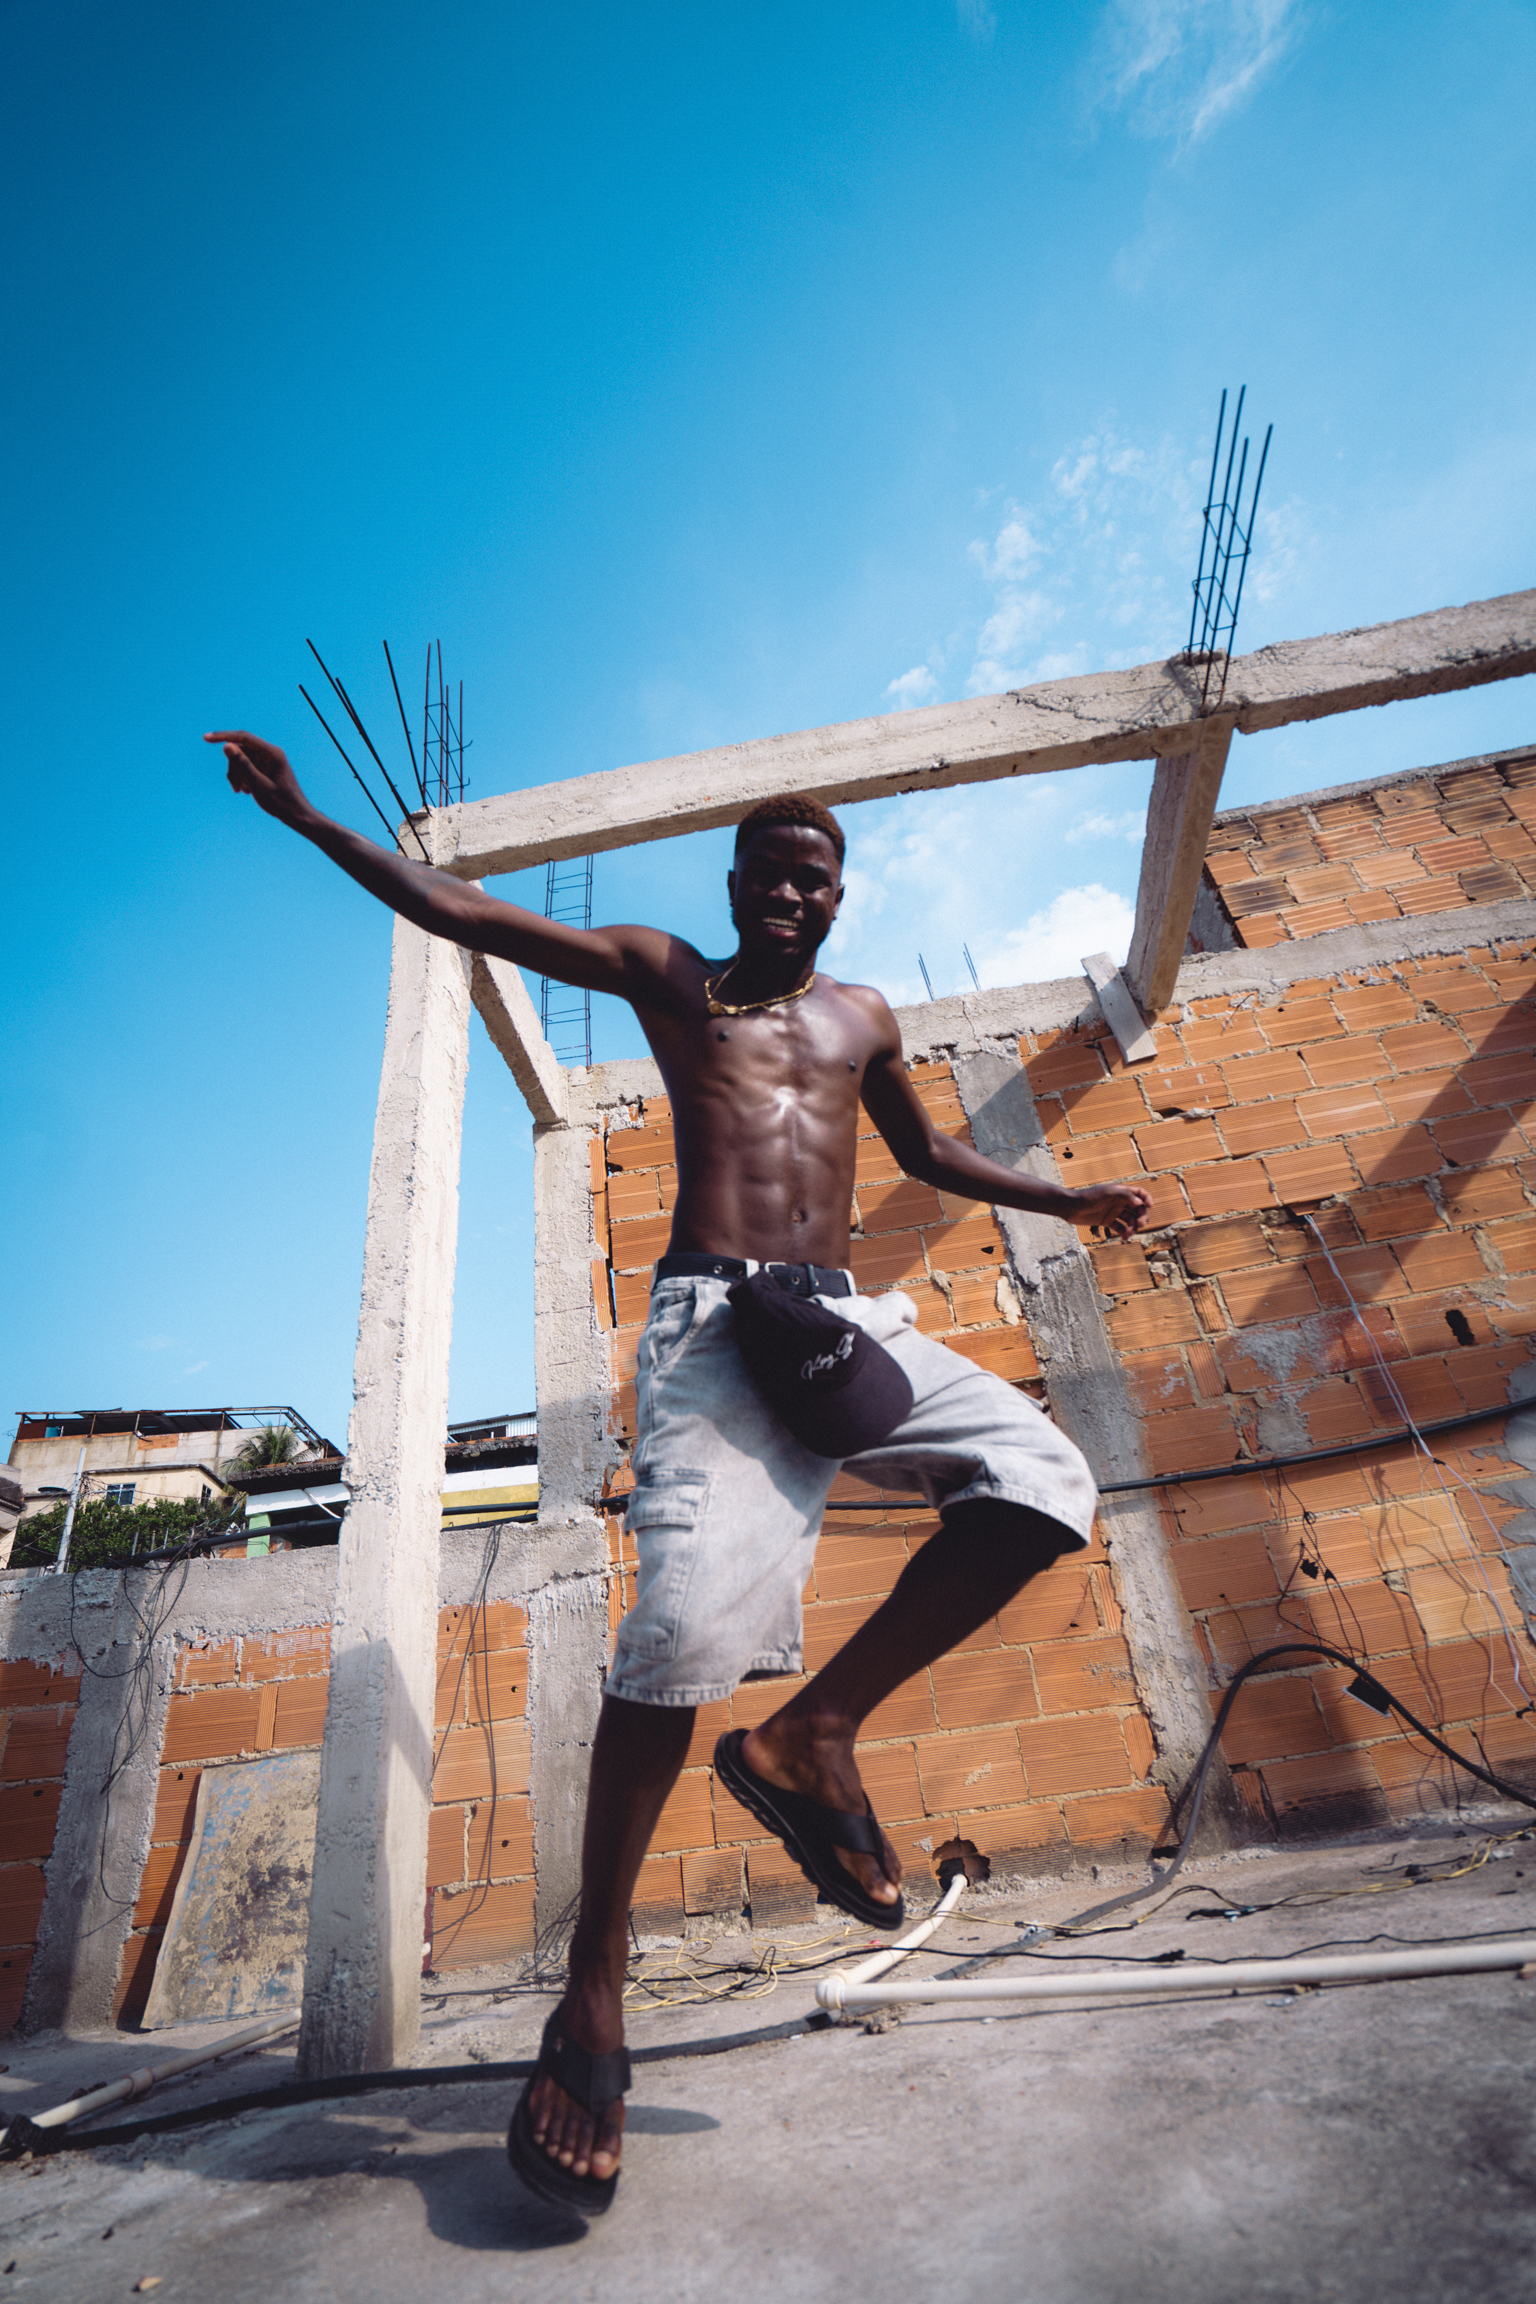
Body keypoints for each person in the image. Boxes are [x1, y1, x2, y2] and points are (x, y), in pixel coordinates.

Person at [209, 730, 1152, 2213]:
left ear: (840, 902)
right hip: (714, 1330)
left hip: (840, 1322)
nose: (793, 892)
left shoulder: (865, 1018)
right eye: (771, 872)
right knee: (679, 1639)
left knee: (1045, 1481)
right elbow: (469, 918)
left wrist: (1066, 1190)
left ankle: (810, 1734)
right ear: (735, 883)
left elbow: (934, 1158)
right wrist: (309, 819)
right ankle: (592, 1993)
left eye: (816, 878)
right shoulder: (664, 973)